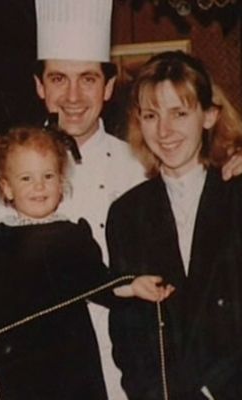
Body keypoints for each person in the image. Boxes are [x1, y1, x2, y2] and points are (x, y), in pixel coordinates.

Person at [0, 1, 242, 397]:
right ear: (39, 86)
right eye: (58, 79)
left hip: (130, 376)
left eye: (87, 79)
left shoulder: (140, 167)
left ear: (108, 87)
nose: (72, 95)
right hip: (27, 371)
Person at [0, 126, 172, 400]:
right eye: (26, 178)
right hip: (15, 362)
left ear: (61, 183)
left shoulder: (73, 234)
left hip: (71, 360)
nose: (39, 186)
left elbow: (97, 281)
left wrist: (133, 286)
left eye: (48, 176)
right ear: (6, 188)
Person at [107, 51, 242, 400]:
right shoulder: (126, 213)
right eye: (151, 115)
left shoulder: (235, 194)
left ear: (209, 115)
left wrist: (213, 390)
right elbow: (127, 331)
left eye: (179, 113)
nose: (164, 131)